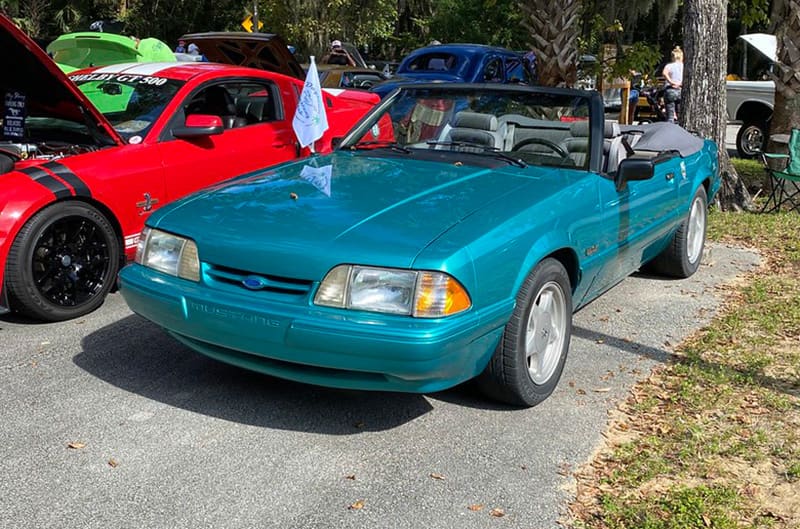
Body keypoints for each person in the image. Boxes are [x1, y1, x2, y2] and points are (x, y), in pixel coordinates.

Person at [662, 46, 684, 123]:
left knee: (670, 115)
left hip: (671, 89)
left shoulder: (669, 65)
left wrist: (671, 82)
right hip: (681, 90)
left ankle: (670, 128)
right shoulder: (684, 66)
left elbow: (664, 73)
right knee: (680, 114)